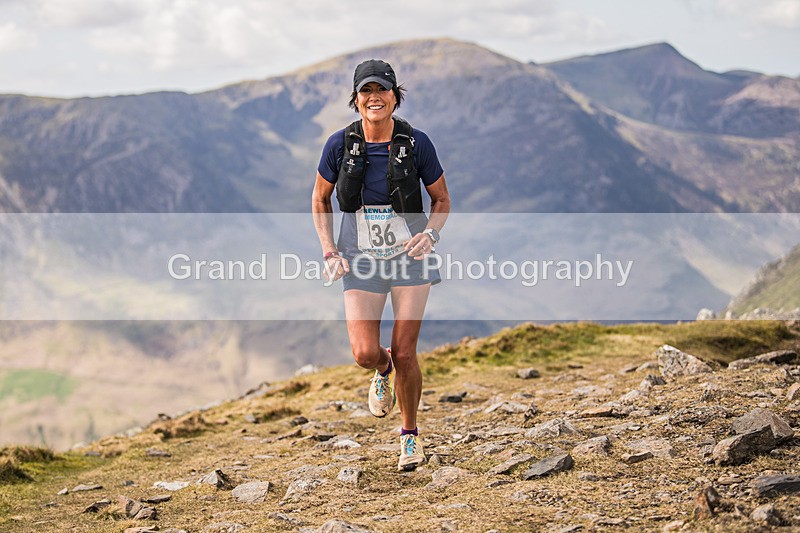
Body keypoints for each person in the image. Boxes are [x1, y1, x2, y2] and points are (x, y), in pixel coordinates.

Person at [311, 59, 450, 471]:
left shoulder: (417, 142)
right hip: (358, 257)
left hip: (411, 256)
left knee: (407, 352)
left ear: (395, 95)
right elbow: (319, 199)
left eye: (383, 90)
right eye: (366, 91)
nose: (375, 97)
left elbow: (442, 199)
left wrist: (432, 234)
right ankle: (381, 367)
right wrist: (328, 250)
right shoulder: (339, 145)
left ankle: (409, 437)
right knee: (364, 352)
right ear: (355, 99)